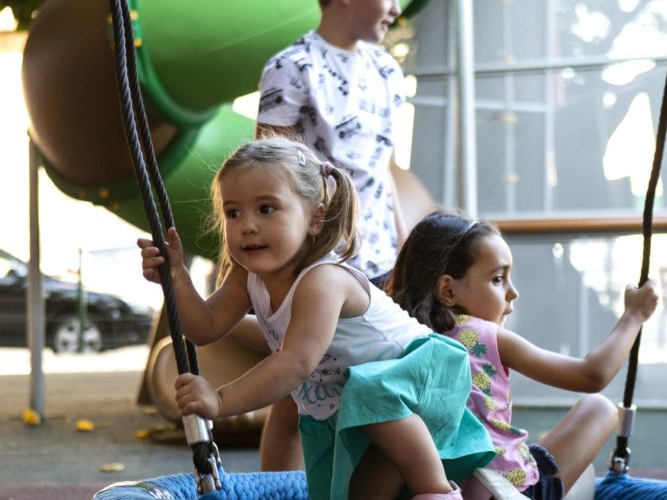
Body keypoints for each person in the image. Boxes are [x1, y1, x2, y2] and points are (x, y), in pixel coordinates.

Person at [138, 138, 494, 499]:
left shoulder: (322, 281)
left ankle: (434, 489)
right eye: (233, 212)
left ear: (315, 218)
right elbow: (205, 327)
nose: (247, 225)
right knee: (353, 493)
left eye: (266, 208)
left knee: (373, 392)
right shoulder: (249, 276)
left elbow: (294, 363)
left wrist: (221, 401)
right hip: (358, 408)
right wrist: (178, 279)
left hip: (417, 380)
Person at [386, 211, 660, 499]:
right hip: (508, 491)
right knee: (599, 409)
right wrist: (634, 315)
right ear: (448, 290)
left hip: (451, 491)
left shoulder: (406, 338)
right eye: (497, 279)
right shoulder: (480, 334)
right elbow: (592, 374)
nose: (513, 292)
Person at [255, 0, 411, 472]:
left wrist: (406, 250)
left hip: (380, 260)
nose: (397, 7)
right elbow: (267, 175)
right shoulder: (292, 67)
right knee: (298, 393)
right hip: (319, 264)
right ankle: (280, 489)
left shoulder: (386, 68)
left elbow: (382, 173)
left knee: (379, 390)